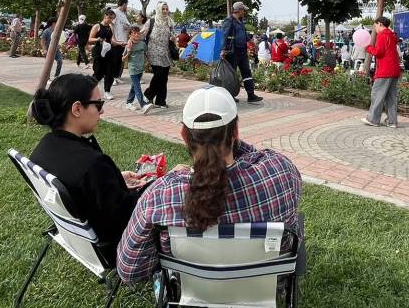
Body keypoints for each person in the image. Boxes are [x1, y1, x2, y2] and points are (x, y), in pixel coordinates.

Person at [117, 86, 303, 283]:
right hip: (265, 287)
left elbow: (129, 271)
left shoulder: (159, 196)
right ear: (236, 132)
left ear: (184, 135)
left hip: (192, 294)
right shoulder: (280, 169)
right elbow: (256, 157)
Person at [29, 74, 148, 256]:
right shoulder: (92, 164)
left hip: (78, 237)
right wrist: (157, 187)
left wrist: (114, 178)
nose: (102, 112)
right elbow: (127, 215)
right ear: (77, 108)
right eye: (98, 105)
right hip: (112, 245)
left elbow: (84, 186)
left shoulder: (43, 148)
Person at [359, 16, 401, 128]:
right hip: (394, 69)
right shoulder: (392, 35)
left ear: (380, 24)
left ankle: (373, 119)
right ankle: (392, 121)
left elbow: (379, 52)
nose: (375, 28)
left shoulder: (382, 35)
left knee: (377, 94)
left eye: (375, 25)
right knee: (391, 97)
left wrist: (368, 48)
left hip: (385, 70)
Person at [220, 2, 262, 103]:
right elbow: (225, 36)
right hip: (232, 52)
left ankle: (251, 95)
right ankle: (230, 96)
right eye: (243, 10)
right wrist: (223, 50)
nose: (244, 12)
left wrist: (250, 40)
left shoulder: (241, 21)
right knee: (232, 75)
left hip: (242, 51)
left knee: (247, 73)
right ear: (239, 10)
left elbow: (243, 34)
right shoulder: (229, 21)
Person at [144, 2, 175, 110]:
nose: (166, 11)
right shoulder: (151, 21)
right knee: (158, 75)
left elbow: (173, 35)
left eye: (167, 9)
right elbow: (143, 33)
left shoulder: (170, 22)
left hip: (166, 53)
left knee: (164, 78)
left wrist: (173, 38)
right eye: (163, 9)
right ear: (158, 9)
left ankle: (161, 101)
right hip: (153, 52)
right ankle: (148, 94)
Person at [89, 9, 118, 100]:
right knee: (98, 72)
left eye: (112, 19)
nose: (111, 20)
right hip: (99, 51)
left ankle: (107, 91)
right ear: (105, 16)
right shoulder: (97, 26)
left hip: (109, 51)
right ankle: (89, 89)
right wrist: (98, 39)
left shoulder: (111, 27)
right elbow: (90, 39)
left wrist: (119, 43)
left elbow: (111, 40)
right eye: (109, 18)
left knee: (110, 72)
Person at [122, 25, 150, 113]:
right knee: (137, 87)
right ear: (130, 35)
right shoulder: (129, 44)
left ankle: (128, 102)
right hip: (133, 69)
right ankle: (143, 105)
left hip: (140, 69)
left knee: (134, 87)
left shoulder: (143, 44)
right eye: (134, 33)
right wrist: (129, 52)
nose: (136, 35)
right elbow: (123, 59)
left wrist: (146, 63)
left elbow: (146, 54)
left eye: (138, 33)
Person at [111, 0, 132, 81]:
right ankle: (111, 78)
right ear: (123, 4)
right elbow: (111, 25)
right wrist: (113, 38)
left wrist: (128, 27)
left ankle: (116, 76)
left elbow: (127, 25)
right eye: (126, 4)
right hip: (117, 40)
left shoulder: (123, 14)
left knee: (119, 59)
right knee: (115, 60)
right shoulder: (115, 12)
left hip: (123, 40)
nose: (127, 6)